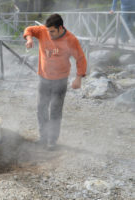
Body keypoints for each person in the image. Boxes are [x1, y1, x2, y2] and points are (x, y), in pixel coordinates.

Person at [23, 14, 87, 150]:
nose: (49, 34)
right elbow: (29, 29)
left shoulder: (70, 39)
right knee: (41, 107)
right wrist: (29, 39)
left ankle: (52, 140)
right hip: (44, 77)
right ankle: (43, 138)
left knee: (55, 110)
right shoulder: (43, 30)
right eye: (48, 31)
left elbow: (80, 58)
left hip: (60, 80)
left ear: (60, 28)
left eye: (52, 31)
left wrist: (79, 77)